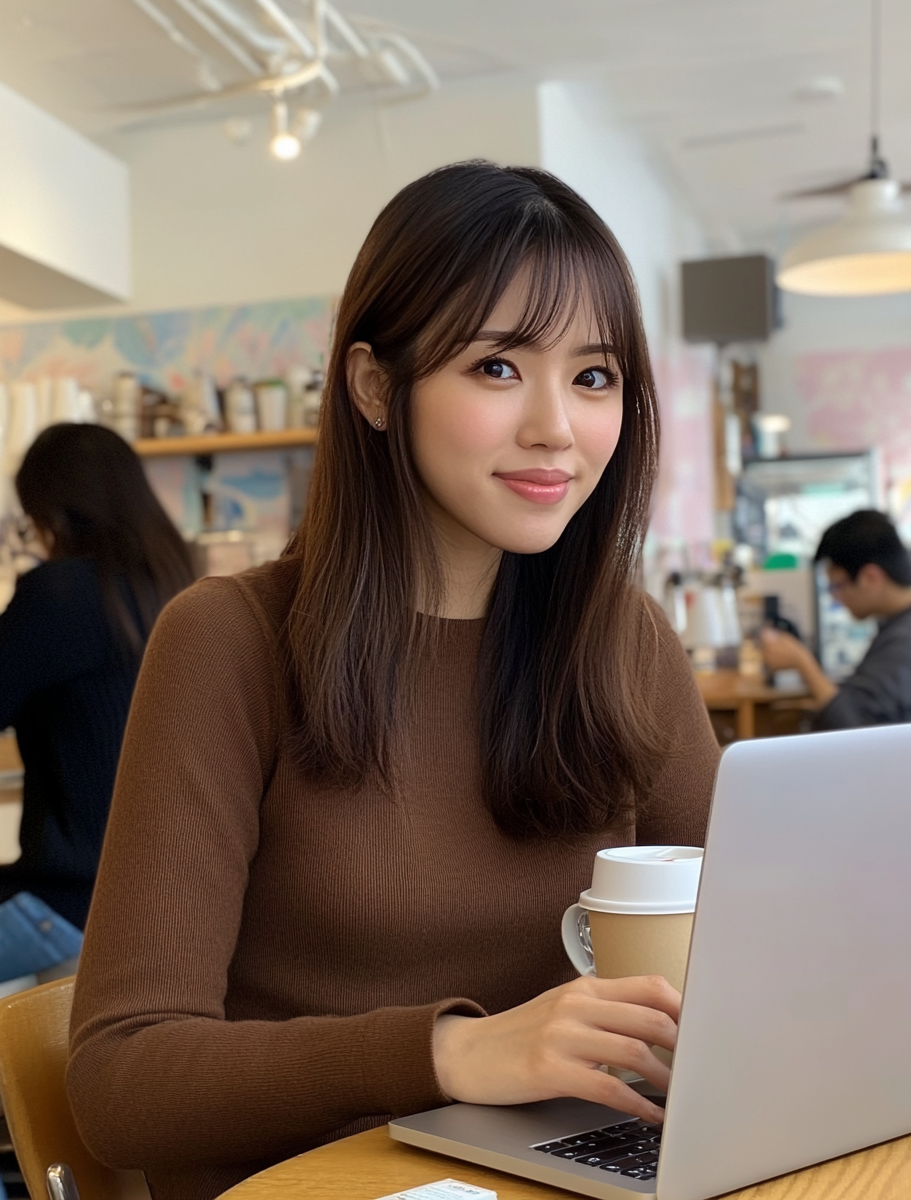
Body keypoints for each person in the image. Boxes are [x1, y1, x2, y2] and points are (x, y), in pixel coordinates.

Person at [66, 162, 722, 1200]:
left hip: (566, 1173)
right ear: (377, 386)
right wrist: (456, 1054)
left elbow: (748, 945)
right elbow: (120, 1078)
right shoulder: (228, 643)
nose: (558, 424)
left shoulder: (623, 641)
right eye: (500, 367)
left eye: (594, 376)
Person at [0, 423, 194, 984]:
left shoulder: (60, 593)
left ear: (56, 513)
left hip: (72, 903)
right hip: (156, 903)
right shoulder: (172, 584)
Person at [761, 509, 911, 729]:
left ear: (870, 578)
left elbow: (853, 727)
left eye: (837, 585)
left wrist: (802, 662)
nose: (835, 597)